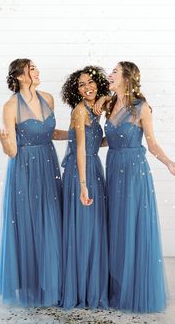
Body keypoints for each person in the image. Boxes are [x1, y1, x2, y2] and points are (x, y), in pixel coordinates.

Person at [93, 61, 175, 313]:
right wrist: (80, 140)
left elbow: (152, 143)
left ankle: (133, 288)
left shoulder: (140, 107)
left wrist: (169, 163)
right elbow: (105, 140)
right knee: (114, 225)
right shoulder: (109, 103)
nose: (109, 75)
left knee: (131, 225)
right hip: (112, 167)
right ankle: (115, 286)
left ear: (127, 77)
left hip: (134, 171)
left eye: (114, 72)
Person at [0, 58, 67, 307]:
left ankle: (52, 280)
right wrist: (3, 141)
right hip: (24, 169)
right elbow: (12, 150)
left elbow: (52, 133)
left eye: (36, 67)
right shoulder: (10, 106)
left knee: (51, 220)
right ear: (20, 76)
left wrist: (81, 134)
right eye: (31, 68)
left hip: (48, 163)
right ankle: (32, 282)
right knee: (29, 221)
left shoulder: (48, 98)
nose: (37, 71)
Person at [60, 66, 110, 309]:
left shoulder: (96, 108)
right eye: (81, 84)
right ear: (75, 90)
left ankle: (93, 284)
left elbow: (95, 142)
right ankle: (80, 288)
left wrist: (104, 97)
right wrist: (82, 185)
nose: (87, 87)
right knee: (82, 229)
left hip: (93, 168)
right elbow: (80, 148)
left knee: (94, 228)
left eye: (91, 82)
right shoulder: (80, 111)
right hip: (81, 172)